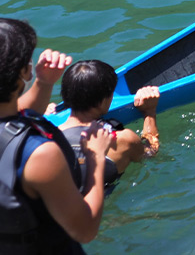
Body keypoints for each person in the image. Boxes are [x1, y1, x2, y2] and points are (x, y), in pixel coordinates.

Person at [0, 18, 111, 254]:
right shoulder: (40, 155)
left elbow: (5, 119)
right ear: (23, 71)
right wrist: (95, 158)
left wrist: (43, 82)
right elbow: (85, 230)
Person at [58, 60, 160, 195]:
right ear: (104, 100)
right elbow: (151, 154)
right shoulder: (122, 140)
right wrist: (150, 113)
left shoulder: (47, 134)